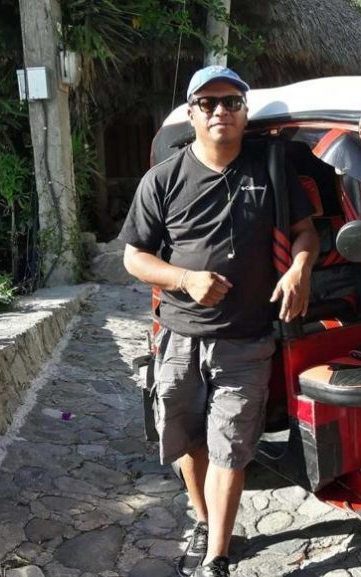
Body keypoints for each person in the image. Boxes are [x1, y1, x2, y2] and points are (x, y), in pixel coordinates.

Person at [119, 66, 317, 577]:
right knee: (186, 439)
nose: (220, 112)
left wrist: (299, 267)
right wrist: (185, 280)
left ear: (244, 111)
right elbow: (134, 257)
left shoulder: (269, 170)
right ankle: (207, 520)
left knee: (230, 444)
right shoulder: (163, 178)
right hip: (179, 335)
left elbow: (304, 233)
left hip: (247, 339)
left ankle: (217, 556)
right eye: (208, 104)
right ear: (192, 113)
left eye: (230, 102)